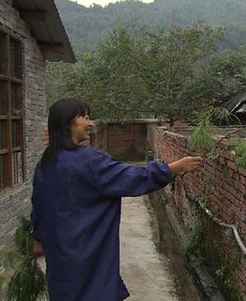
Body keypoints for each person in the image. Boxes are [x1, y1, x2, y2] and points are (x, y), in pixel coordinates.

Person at [30, 98, 202, 301]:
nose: (90, 123)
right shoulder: (89, 161)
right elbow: (131, 178)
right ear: (69, 123)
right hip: (86, 254)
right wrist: (173, 168)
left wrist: (39, 239)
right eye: (85, 117)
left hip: (60, 255)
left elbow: (39, 207)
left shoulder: (45, 163)